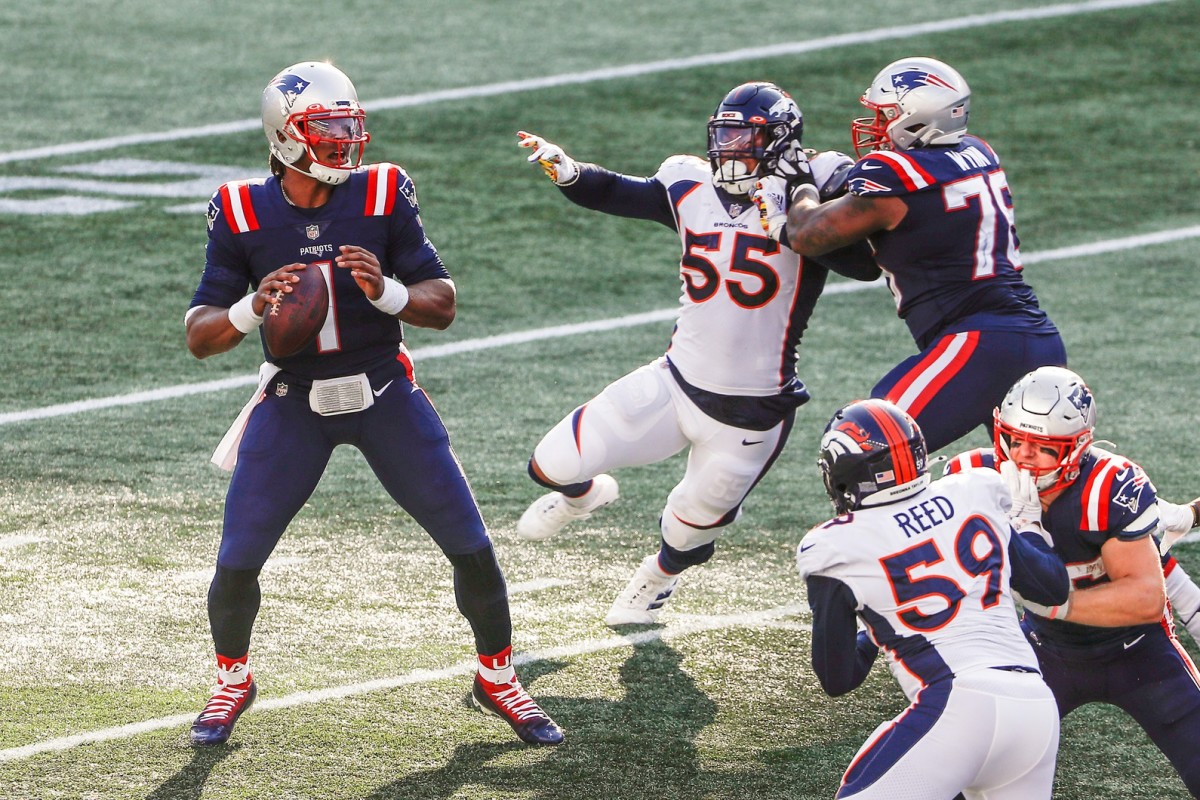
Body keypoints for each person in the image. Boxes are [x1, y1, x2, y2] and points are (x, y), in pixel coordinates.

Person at [183, 61, 562, 747]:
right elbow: (199, 336)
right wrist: (250, 306)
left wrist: (388, 293)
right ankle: (231, 681)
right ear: (285, 134)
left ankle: (499, 678)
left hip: (383, 389)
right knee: (238, 558)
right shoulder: (240, 210)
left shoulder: (383, 191)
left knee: (471, 545)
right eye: (325, 127)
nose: (342, 140)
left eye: (347, 124)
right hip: (293, 400)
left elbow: (441, 304)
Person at [513, 82, 879, 626]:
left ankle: (658, 578)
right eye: (726, 134)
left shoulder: (811, 203)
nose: (731, 148)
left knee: (691, 528)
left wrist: (796, 216)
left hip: (752, 411)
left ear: (780, 141)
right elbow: (620, 192)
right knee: (550, 463)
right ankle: (583, 496)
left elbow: (866, 265)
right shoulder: (691, 185)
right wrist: (568, 171)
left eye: (747, 137)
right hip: (676, 382)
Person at [753, 56, 1066, 453]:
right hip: (1034, 337)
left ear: (916, 116)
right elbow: (870, 262)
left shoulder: (895, 173)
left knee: (866, 442)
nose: (878, 128)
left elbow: (805, 233)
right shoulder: (977, 153)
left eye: (885, 116)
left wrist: (795, 186)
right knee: (1031, 487)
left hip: (978, 343)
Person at [796, 398, 1068, 799]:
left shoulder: (834, 546)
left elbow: (838, 678)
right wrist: (1026, 525)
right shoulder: (975, 489)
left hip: (958, 708)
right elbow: (1052, 589)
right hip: (1034, 710)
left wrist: (877, 628)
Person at [981, 366, 1200, 794]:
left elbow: (1145, 600)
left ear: (1077, 447)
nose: (1022, 455)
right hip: (1044, 651)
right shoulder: (982, 478)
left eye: (1042, 446)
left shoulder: (1109, 487)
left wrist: (1056, 599)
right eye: (1014, 439)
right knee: (975, 764)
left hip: (1137, 652)